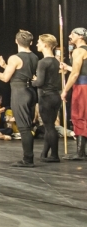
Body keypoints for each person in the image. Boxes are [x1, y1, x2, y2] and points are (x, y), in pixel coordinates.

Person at [0, 30, 39, 167]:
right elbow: (20, 73)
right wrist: (5, 66)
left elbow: (5, 78)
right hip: (30, 91)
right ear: (30, 42)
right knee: (27, 125)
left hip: (20, 93)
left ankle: (28, 159)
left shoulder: (14, 57)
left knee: (24, 127)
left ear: (16, 41)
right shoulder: (34, 56)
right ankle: (28, 157)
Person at [31, 34, 62, 162]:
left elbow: (39, 83)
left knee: (49, 127)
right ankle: (45, 153)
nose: (37, 44)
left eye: (39, 42)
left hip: (46, 97)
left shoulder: (43, 62)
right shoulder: (55, 61)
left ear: (45, 44)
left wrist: (30, 81)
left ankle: (54, 155)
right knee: (50, 126)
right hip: (55, 96)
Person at [61, 27, 87, 160]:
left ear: (80, 36)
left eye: (72, 34)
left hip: (82, 87)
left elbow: (76, 74)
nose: (69, 36)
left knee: (79, 115)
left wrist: (65, 90)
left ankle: (80, 152)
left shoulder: (78, 51)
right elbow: (82, 70)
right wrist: (68, 67)